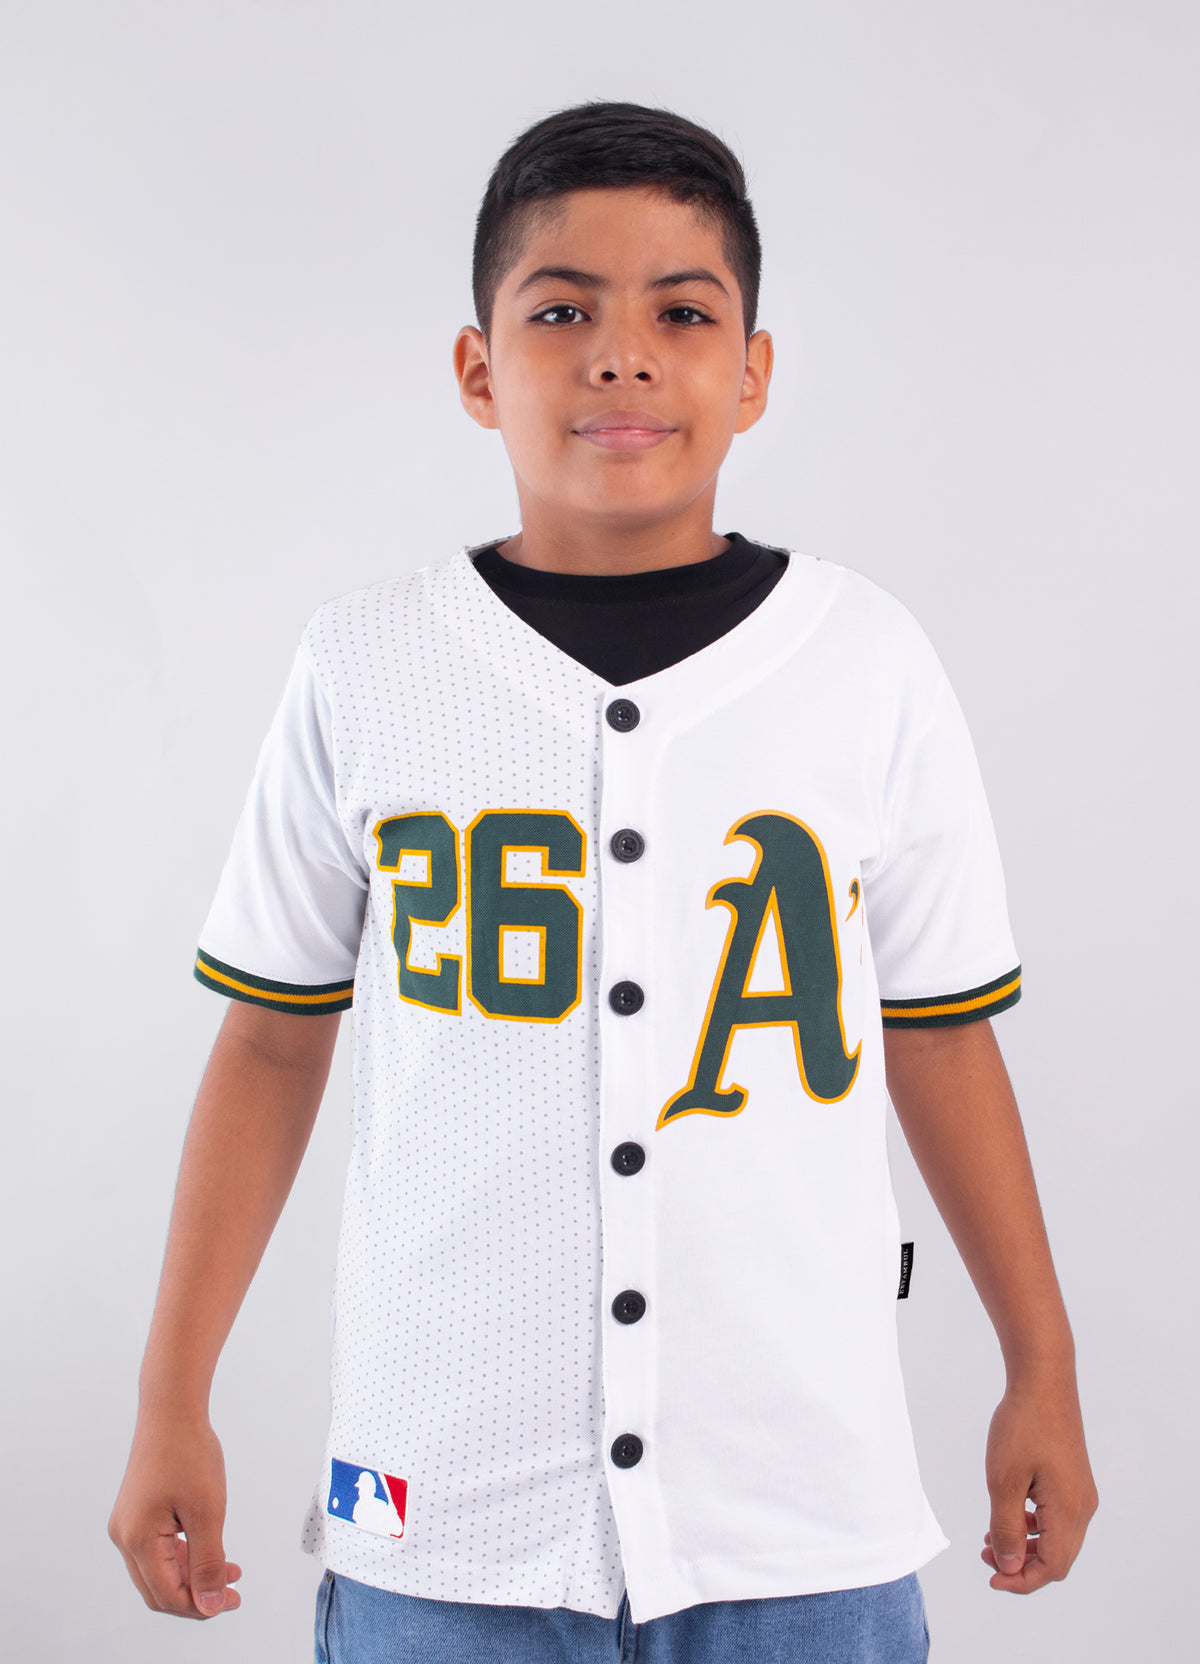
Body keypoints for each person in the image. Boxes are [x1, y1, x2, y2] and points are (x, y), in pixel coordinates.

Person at [108, 101, 1097, 1662]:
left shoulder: (864, 661)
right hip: (444, 1511)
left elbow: (941, 1032)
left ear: (753, 371)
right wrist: (173, 1395)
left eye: (681, 314)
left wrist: (1041, 1364)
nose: (621, 357)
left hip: (800, 1515)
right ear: (478, 368)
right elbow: (274, 1039)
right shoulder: (367, 664)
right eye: (562, 311)